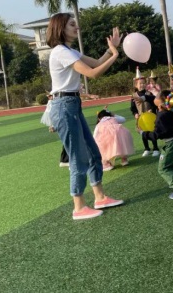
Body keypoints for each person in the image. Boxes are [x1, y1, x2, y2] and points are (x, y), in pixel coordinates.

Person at [46, 12, 124, 220]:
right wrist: (115, 55)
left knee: (92, 152)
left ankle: (100, 197)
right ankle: (79, 207)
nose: (76, 27)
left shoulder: (69, 51)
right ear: (61, 28)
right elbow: (93, 73)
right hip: (64, 106)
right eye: (72, 24)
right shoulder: (60, 52)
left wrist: (110, 49)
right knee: (78, 157)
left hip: (72, 104)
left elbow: (96, 62)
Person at [131, 69, 160, 157]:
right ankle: (146, 148)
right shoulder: (134, 95)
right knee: (143, 133)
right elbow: (132, 107)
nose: (142, 85)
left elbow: (155, 103)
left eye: (144, 83)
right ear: (136, 85)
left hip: (150, 117)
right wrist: (135, 113)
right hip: (141, 118)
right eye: (140, 83)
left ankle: (155, 148)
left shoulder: (149, 93)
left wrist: (152, 109)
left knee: (152, 132)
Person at [40, 93, 69, 167]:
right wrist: (53, 125)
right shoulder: (52, 103)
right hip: (61, 120)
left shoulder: (56, 101)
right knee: (69, 138)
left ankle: (66, 159)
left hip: (63, 118)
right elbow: (51, 114)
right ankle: (65, 160)